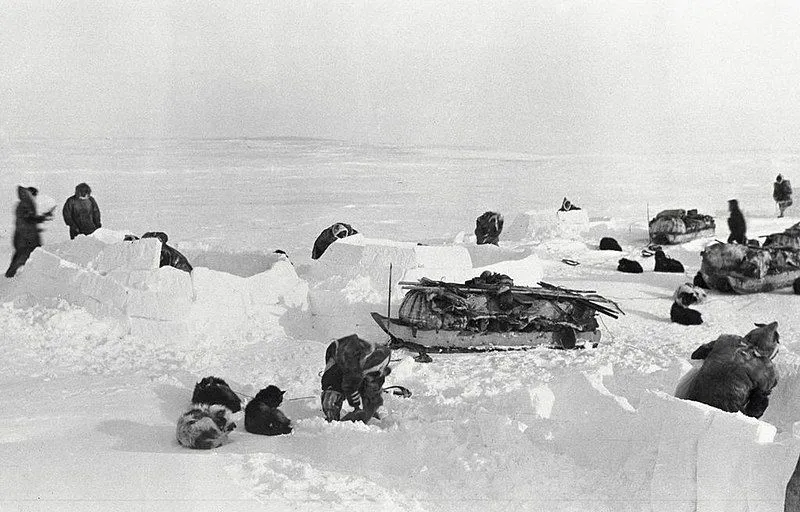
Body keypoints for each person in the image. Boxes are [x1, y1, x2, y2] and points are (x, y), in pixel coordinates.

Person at [321, 334, 391, 424]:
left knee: (371, 391)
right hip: (341, 354)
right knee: (332, 392)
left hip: (372, 360)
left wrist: (367, 411)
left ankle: (368, 412)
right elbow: (350, 384)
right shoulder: (347, 360)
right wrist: (355, 404)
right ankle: (331, 419)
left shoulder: (375, 363)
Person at [5, 186, 54, 278]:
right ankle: (11, 276)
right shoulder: (24, 205)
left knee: (21, 256)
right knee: (25, 255)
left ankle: (11, 275)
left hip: (24, 236)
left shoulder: (23, 205)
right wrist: (43, 217)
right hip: (25, 238)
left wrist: (42, 218)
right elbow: (29, 219)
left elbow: (29, 220)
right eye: (34, 195)